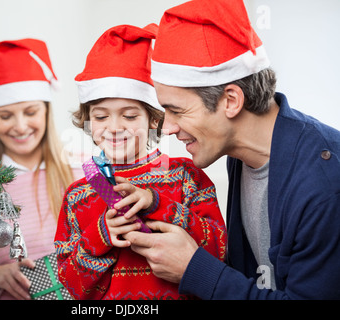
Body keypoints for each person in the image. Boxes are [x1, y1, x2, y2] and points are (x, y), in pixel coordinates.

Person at [123, 0, 340, 300]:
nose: (167, 127)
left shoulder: (324, 185)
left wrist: (194, 269)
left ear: (231, 101)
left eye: (177, 110)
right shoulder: (240, 155)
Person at [53, 24, 226, 300]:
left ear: (154, 119)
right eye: (100, 117)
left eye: (129, 116)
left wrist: (158, 204)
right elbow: (74, 288)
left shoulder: (186, 176)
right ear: (87, 121)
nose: (114, 127)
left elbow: (219, 251)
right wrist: (100, 237)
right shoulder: (77, 196)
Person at [0, 38, 82, 300]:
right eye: (6, 116)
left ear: (46, 111)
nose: (20, 126)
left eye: (30, 112)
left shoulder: (86, 170)